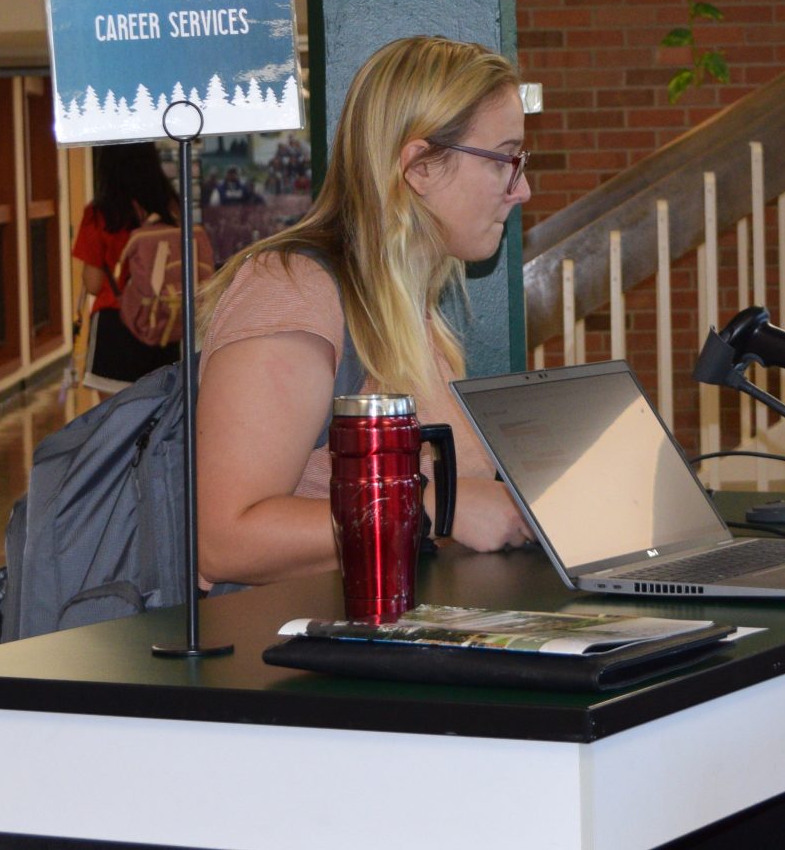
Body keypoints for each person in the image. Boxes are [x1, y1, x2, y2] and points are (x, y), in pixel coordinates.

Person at [195, 35, 537, 583]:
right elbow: (225, 539)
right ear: (420, 166)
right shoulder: (292, 289)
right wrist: (433, 510)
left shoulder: (404, 306)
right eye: (504, 160)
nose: (521, 189)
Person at [71, 142, 183, 384]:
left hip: (116, 324)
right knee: (162, 411)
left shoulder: (100, 214)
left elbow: (92, 283)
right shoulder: (170, 208)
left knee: (118, 417)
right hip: (164, 322)